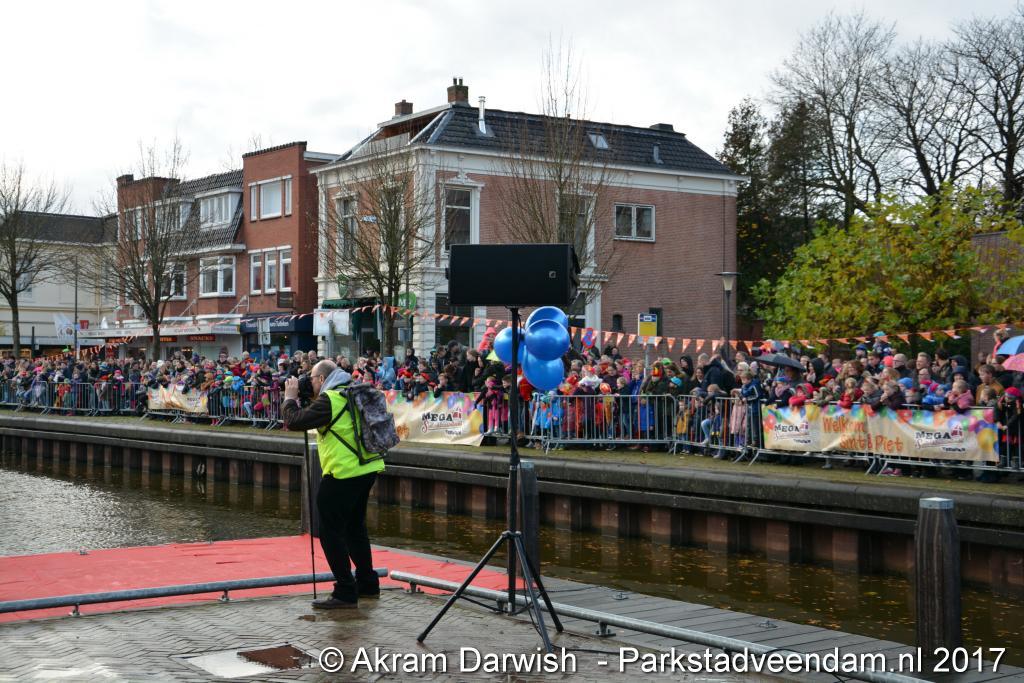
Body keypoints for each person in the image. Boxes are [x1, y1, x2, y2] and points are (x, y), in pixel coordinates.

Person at [281, 360, 384, 610]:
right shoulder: (352, 391)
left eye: (311, 378)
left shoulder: (331, 399)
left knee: (330, 532)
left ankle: (345, 591)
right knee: (354, 528)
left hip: (343, 472)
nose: (309, 382)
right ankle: (368, 584)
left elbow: (294, 421)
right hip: (368, 467)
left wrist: (290, 398)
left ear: (321, 379)